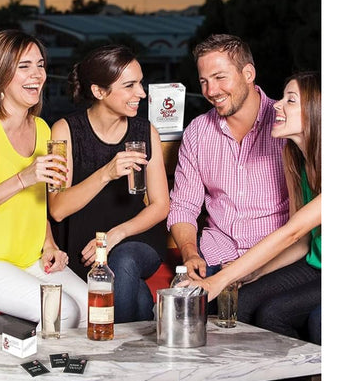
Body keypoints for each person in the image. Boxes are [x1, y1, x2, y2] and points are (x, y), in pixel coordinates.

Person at [0, 30, 87, 329]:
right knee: (62, 311)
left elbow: (36, 204)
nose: (37, 74)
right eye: (24, 66)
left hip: (27, 258)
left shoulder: (43, 129)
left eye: (40, 65)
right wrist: (22, 178)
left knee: (92, 305)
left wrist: (49, 244)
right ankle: (34, 362)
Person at [183, 72, 321, 343]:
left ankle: (302, 372)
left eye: (291, 100)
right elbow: (303, 242)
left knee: (274, 313)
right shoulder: (293, 157)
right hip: (315, 264)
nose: (277, 105)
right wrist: (253, 272)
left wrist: (217, 280)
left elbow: (292, 232)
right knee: (243, 302)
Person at [48, 45, 169, 323]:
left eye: (140, 83)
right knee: (139, 298)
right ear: (99, 91)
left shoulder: (145, 131)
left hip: (136, 240)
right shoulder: (64, 131)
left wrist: (115, 235)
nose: (141, 93)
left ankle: (109, 343)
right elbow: (57, 209)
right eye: (130, 86)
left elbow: (161, 205)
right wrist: (106, 173)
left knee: (124, 260)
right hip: (83, 249)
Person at [167, 34, 290, 280]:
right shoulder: (198, 131)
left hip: (273, 259)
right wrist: (190, 253)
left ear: (248, 74)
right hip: (215, 256)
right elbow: (183, 206)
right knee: (176, 300)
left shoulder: (287, 122)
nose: (211, 91)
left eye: (220, 77)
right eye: (204, 81)